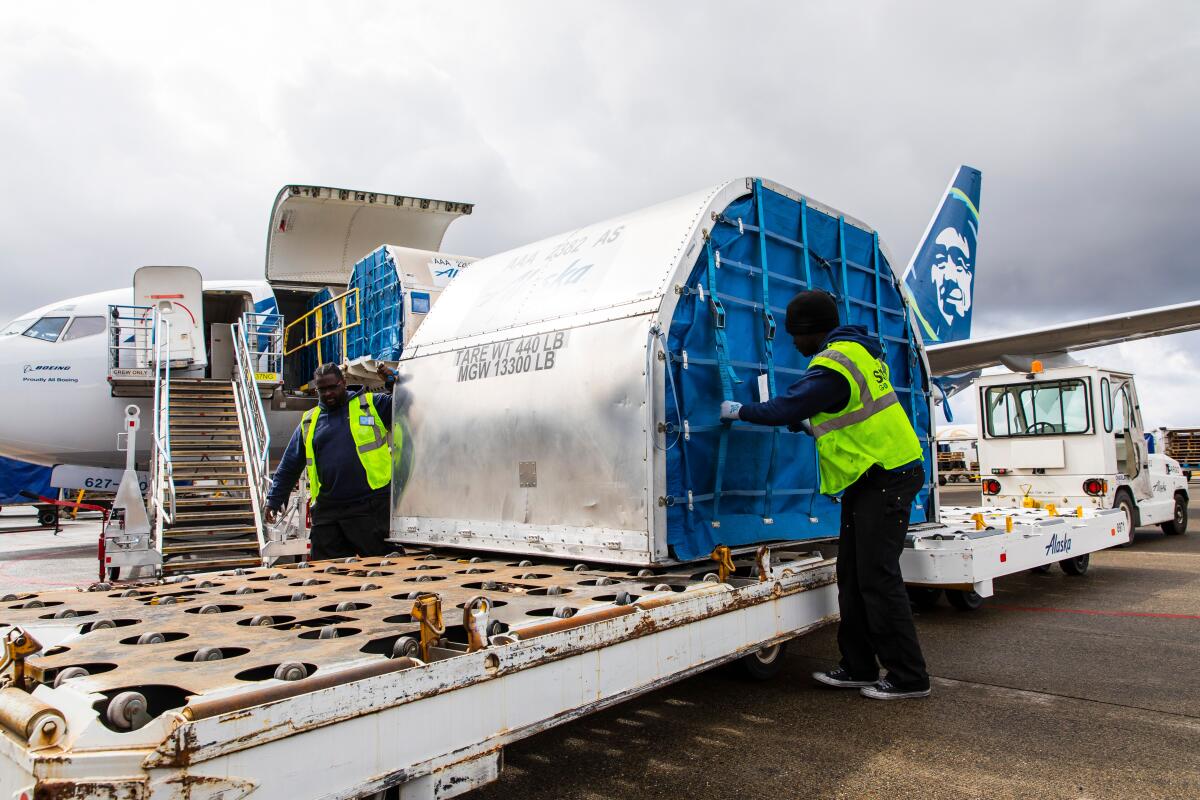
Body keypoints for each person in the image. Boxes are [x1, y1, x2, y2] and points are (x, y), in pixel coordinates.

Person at [719, 290, 930, 700]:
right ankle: (858, 667)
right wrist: (807, 423)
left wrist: (739, 411)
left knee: (877, 579)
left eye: (796, 336)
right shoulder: (855, 353)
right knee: (851, 576)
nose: (793, 345)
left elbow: (784, 409)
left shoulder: (833, 366)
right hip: (871, 478)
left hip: (887, 477)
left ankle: (909, 677)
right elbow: (843, 418)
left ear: (811, 332)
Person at [265, 363, 397, 560]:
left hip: (369, 508)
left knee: (383, 571)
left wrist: (393, 384)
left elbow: (405, 406)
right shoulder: (310, 421)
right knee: (327, 573)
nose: (327, 393)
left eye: (332, 387)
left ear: (343, 383)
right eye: (322, 389)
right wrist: (275, 498)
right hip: (328, 512)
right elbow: (290, 463)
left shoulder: (371, 405)